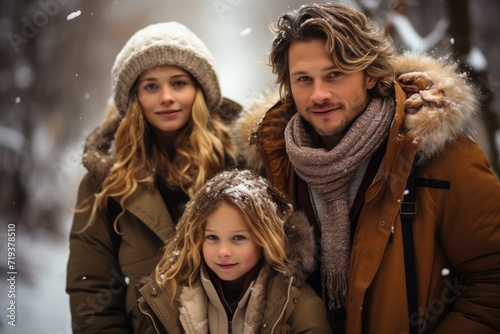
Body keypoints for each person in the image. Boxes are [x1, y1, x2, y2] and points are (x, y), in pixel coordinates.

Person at [233, 3, 500, 334]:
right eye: (304, 79)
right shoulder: (271, 161)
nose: (318, 95)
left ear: (371, 74)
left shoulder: (438, 153)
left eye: (335, 74)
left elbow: (491, 280)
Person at [66, 21, 242, 333]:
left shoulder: (240, 164)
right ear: (134, 98)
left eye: (178, 83)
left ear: (199, 90)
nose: (166, 97)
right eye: (150, 86)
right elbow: (91, 292)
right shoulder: (105, 181)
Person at [136, 169, 332, 333]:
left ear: (264, 240)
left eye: (238, 238)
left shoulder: (298, 305)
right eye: (212, 237)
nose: (223, 252)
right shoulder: (168, 300)